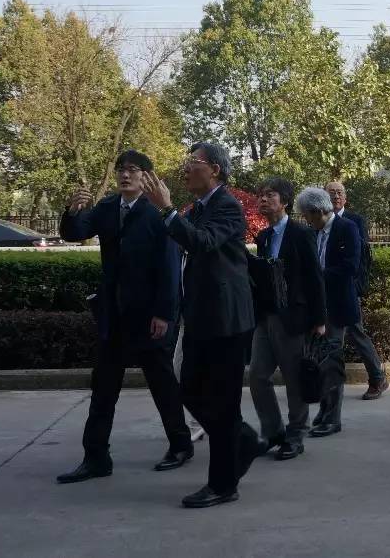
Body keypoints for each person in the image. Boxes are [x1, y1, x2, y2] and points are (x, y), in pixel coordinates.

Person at [57, 151, 193, 485]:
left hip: (148, 316)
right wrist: (72, 212)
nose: (125, 175)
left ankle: (180, 444)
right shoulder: (106, 208)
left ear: (147, 177)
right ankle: (96, 457)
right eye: (121, 169)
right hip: (114, 315)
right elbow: (76, 232)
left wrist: (164, 314)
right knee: (103, 388)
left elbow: (169, 268)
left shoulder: (156, 213)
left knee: (162, 385)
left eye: (132, 170)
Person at [141, 143, 265, 509]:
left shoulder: (227, 206)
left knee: (223, 404)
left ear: (214, 169)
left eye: (192, 162)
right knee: (191, 391)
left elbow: (202, 243)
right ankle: (243, 440)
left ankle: (223, 484)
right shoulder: (197, 208)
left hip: (227, 321)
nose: (185, 169)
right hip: (200, 317)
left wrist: (167, 209)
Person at [250, 178, 327, 461]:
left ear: (284, 202)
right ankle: (273, 432)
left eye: (269, 195)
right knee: (257, 376)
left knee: (294, 379)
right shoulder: (263, 236)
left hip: (293, 318)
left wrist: (319, 319)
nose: (263, 199)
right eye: (261, 195)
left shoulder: (301, 233)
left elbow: (314, 278)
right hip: (266, 317)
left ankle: (296, 434)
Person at [299, 186, 363, 438]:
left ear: (318, 211)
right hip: (316, 306)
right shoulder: (311, 232)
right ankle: (324, 409)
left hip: (337, 306)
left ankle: (333, 418)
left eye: (307, 215)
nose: (306, 220)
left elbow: (351, 266)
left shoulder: (347, 228)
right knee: (318, 360)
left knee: (332, 361)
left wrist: (318, 276)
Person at [324, 180, 389, 401]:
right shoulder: (320, 222)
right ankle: (331, 383)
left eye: (339, 192)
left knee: (354, 332)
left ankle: (377, 378)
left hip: (347, 288)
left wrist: (356, 285)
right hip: (328, 289)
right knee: (334, 336)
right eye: (331, 192)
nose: (336, 196)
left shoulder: (354, 221)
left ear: (345, 197)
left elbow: (361, 257)